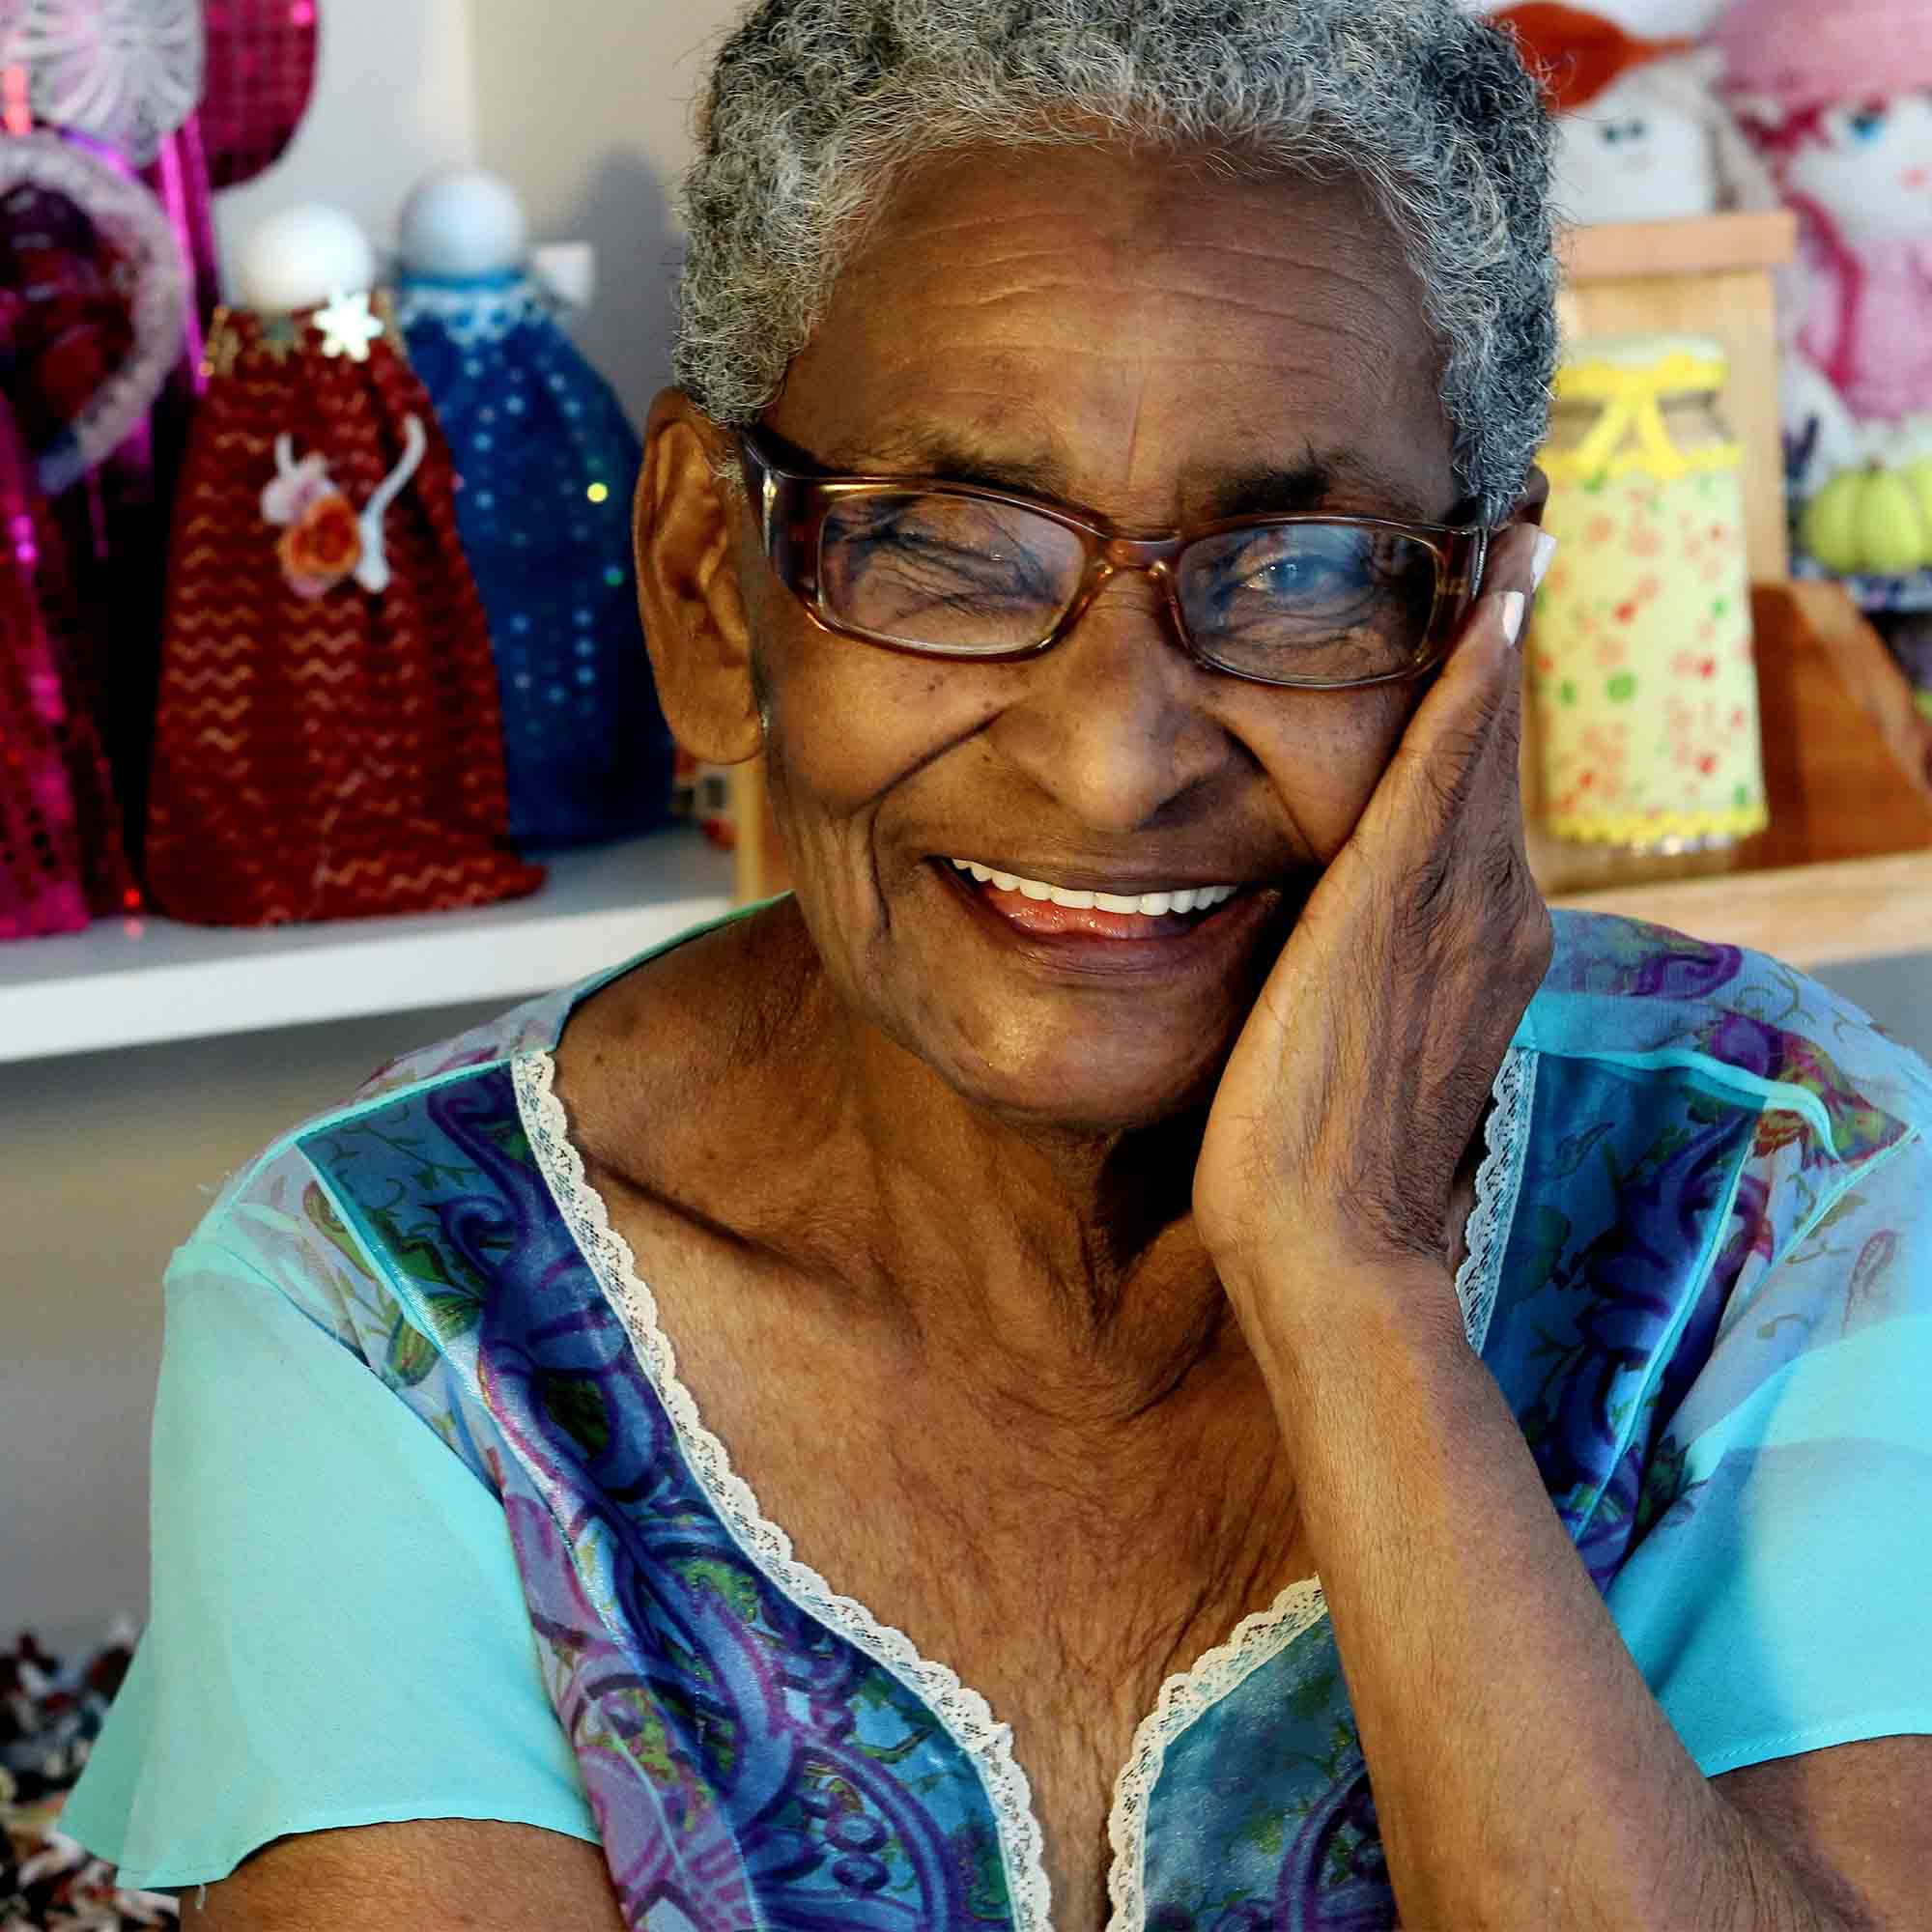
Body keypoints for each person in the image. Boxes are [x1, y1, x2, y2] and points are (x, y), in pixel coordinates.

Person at [63, 1, 1932, 1926]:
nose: (1116, 758)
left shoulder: (1780, 1190)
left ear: (1477, 630)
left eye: (1297, 562)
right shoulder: (394, 1307)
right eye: (949, 545)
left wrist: (1351, 1285)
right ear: (711, 584)